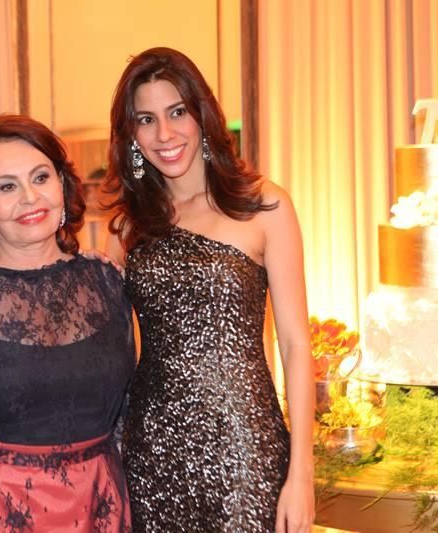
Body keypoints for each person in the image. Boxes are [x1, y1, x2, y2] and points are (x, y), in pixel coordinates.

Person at [105, 47, 314, 532]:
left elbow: (296, 345)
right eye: (146, 120)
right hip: (152, 451)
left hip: (245, 447)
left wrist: (302, 474)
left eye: (177, 112)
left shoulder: (264, 205)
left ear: (202, 114)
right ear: (132, 136)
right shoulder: (127, 226)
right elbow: (105, 346)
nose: (165, 134)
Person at [0, 115, 135, 532]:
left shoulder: (108, 282)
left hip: (99, 505)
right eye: (7, 186)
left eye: (41, 177)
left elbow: (127, 413)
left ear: (62, 185)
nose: (30, 197)